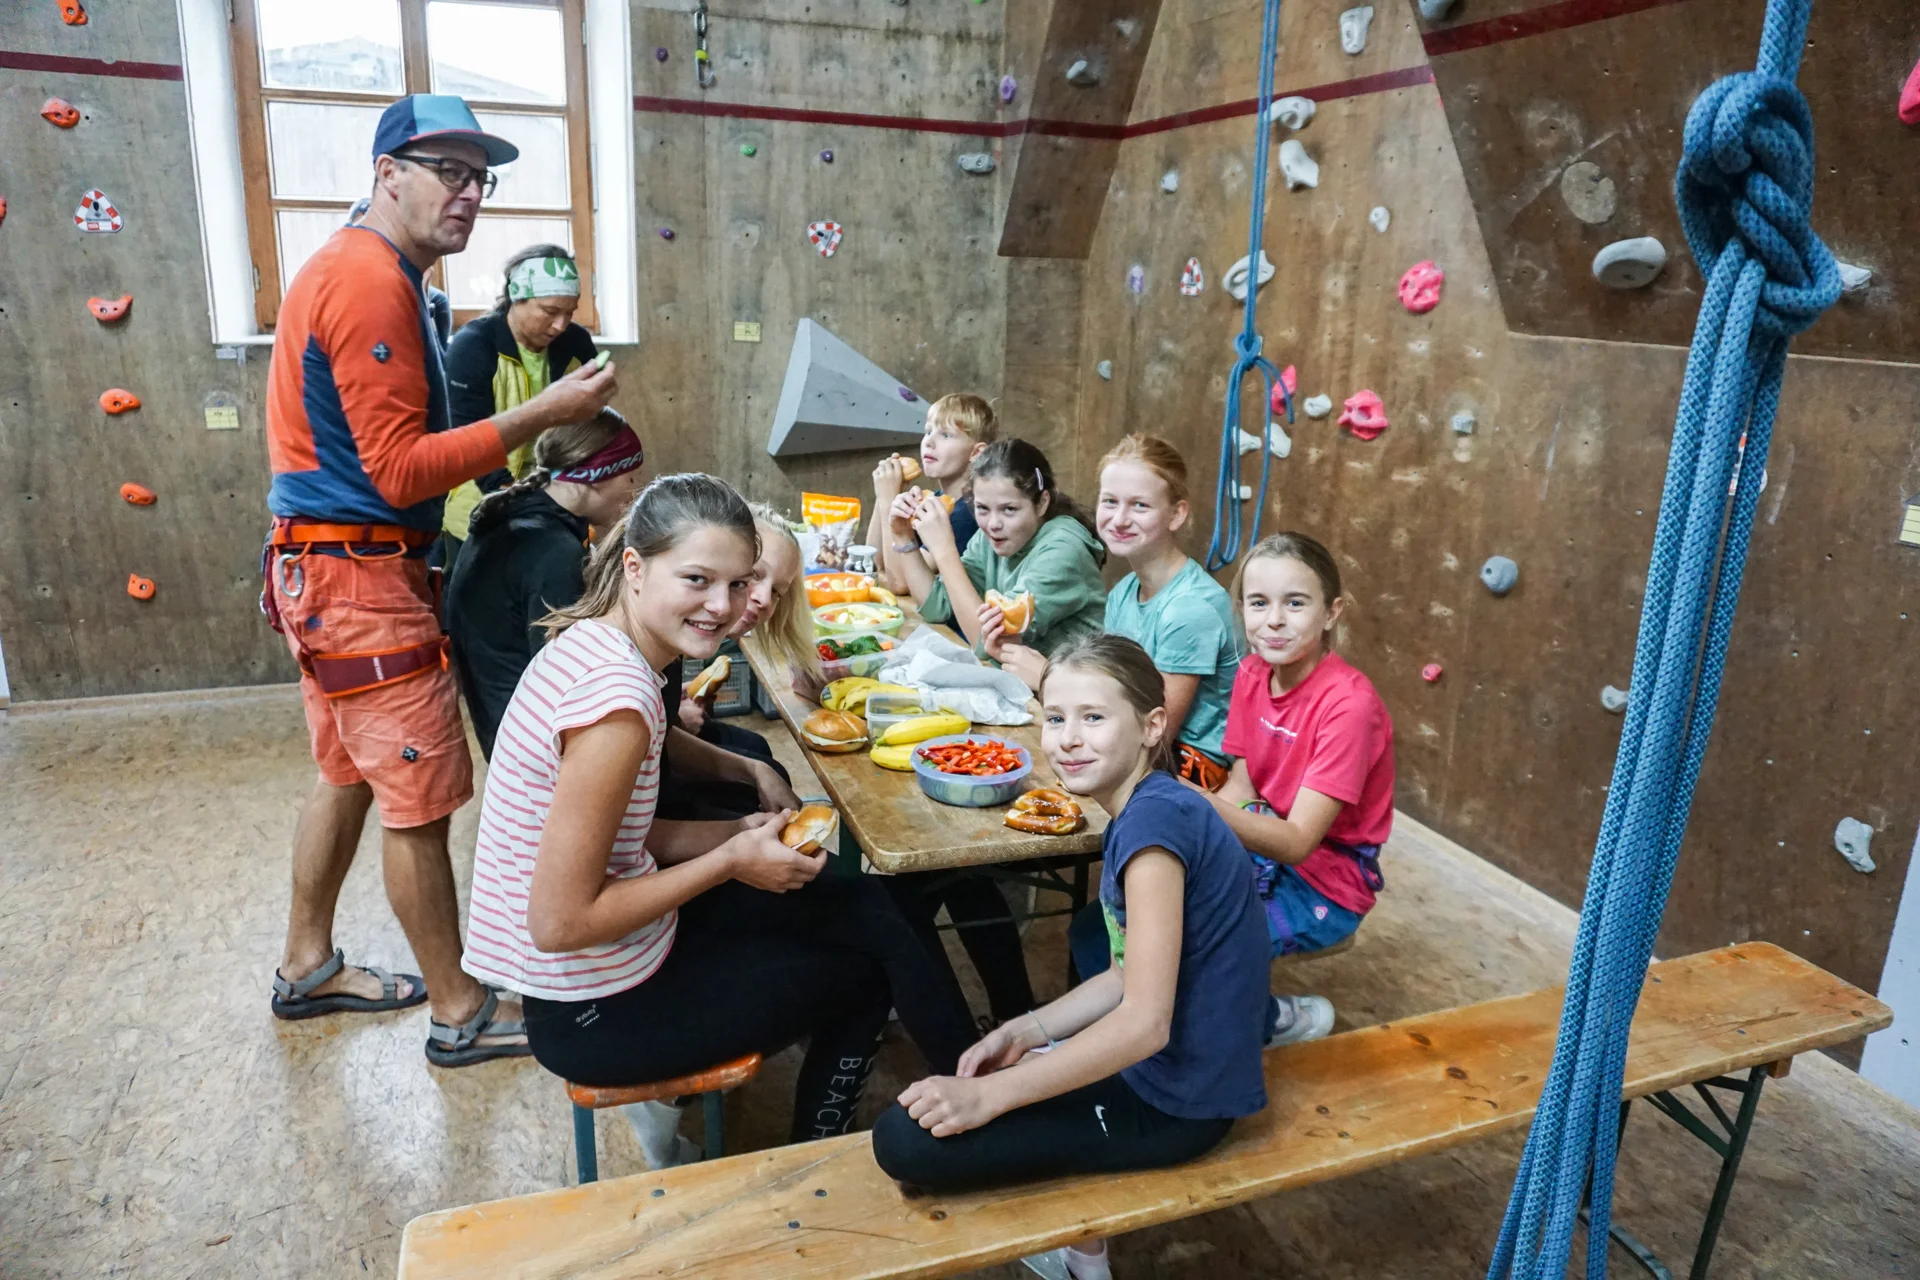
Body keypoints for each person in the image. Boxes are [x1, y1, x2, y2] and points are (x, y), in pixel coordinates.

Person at [262, 93, 617, 1068]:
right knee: (421, 803)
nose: (468, 193)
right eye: (447, 170)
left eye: (480, 176)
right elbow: (400, 471)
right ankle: (462, 1010)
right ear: (388, 175)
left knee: (346, 773)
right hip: (357, 576)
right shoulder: (372, 280)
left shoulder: (364, 268)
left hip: (322, 567)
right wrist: (539, 413)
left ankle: (306, 960)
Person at [464, 473, 979, 1143]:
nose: (725, 605)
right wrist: (732, 860)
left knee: (876, 905)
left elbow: (627, 835)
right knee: (865, 967)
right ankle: (831, 1156)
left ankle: (980, 1090)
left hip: (610, 962)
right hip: (592, 1007)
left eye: (739, 584)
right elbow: (559, 922)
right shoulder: (617, 706)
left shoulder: (597, 644)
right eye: (698, 580)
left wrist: (734, 831)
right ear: (635, 567)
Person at [872, 634, 1269, 1280]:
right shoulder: (1147, 807)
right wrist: (1025, 1029)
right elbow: (1122, 973)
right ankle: (1079, 1237)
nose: (1068, 739)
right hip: (1178, 1073)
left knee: (905, 1141)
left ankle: (1079, 1248)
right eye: (1055, 718)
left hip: (1181, 1104)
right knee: (970, 1097)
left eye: (1094, 718)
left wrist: (993, 1097)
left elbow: (1145, 1022)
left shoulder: (1151, 830)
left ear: (1151, 726)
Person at [1190, 532, 1396, 1041]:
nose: (1274, 620)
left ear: (1331, 613)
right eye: (1259, 603)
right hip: (1268, 839)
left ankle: (1278, 1020)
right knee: (1161, 904)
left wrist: (1193, 803)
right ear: (1242, 610)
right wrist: (1194, 832)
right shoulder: (1252, 674)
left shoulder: (1348, 705)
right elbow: (1243, 781)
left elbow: (1300, 841)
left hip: (1328, 876)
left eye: (1295, 603)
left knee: (1201, 941)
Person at [444, 408, 646, 760]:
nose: (634, 490)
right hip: (533, 753)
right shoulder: (554, 552)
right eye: (630, 476)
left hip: (500, 727)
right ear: (597, 476)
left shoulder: (509, 513)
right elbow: (566, 684)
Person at [892, 438, 1107, 690]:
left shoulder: (1063, 548)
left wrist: (944, 551)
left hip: (1073, 697)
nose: (993, 523)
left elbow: (989, 646)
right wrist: (903, 536)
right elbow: (936, 606)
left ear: (1042, 503)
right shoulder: (990, 537)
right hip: (1022, 689)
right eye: (982, 508)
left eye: (1009, 509)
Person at [1093, 434, 1240, 791]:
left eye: (1140, 506)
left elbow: (1156, 737)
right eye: (1110, 501)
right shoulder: (1123, 593)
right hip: (1137, 743)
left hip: (1193, 771)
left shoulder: (1190, 609)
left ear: (1176, 515)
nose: (1120, 519)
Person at [440, 243, 600, 563]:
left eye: (569, 312)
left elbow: (589, 420)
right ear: (517, 296)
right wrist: (514, 498)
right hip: (478, 511)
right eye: (550, 311)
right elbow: (468, 437)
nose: (560, 325)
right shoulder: (474, 346)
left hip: (550, 503)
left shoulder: (574, 342)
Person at [656, 504, 813, 820]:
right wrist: (737, 845)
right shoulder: (625, 681)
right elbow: (630, 838)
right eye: (754, 576)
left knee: (765, 761)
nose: (765, 599)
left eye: (778, 592)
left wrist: (669, 712)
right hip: (658, 819)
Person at [871, 393, 997, 594]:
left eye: (946, 435)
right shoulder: (937, 499)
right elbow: (874, 562)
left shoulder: (968, 513)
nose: (929, 442)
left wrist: (888, 500)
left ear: (976, 453)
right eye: (928, 431)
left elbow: (901, 583)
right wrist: (885, 497)